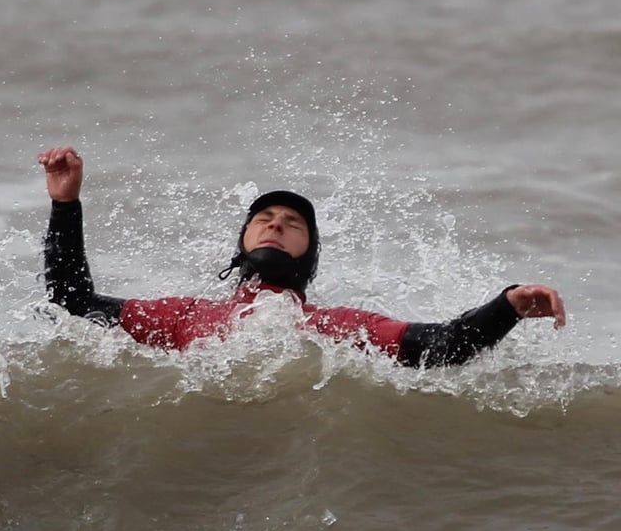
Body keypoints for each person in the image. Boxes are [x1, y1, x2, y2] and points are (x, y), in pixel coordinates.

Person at [39, 146, 565, 366]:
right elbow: (71, 301)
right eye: (264, 220)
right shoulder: (183, 316)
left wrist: (508, 305)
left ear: (308, 254)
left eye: (293, 225)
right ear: (241, 244)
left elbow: (442, 347)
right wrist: (66, 204)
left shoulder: (338, 326)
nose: (276, 225)